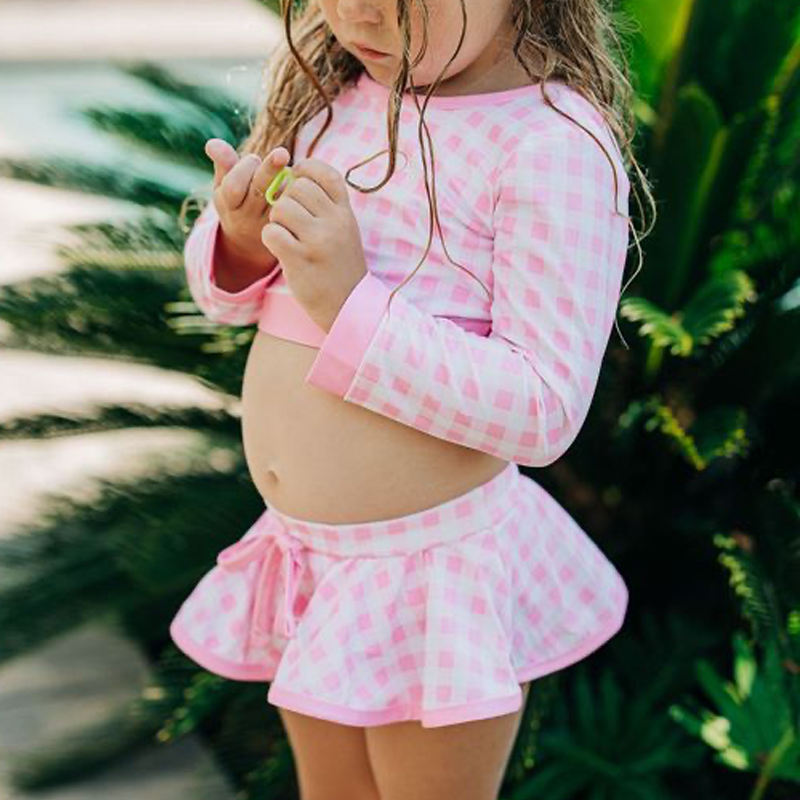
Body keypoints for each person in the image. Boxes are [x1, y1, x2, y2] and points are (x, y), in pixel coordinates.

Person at [170, 0, 653, 798]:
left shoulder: (549, 145)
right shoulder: (328, 100)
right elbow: (230, 295)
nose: (358, 13)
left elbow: (542, 407)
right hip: (310, 561)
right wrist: (242, 241)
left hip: (432, 580)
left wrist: (352, 304)